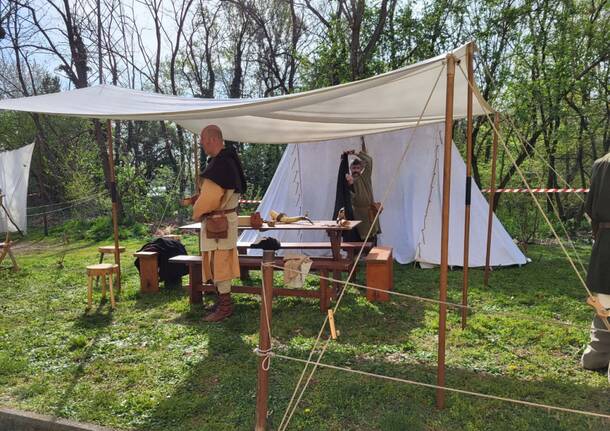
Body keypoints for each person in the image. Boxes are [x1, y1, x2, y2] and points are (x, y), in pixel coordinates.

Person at [191, 125, 246, 322]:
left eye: (204, 141)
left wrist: (197, 210)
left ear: (213, 140)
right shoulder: (226, 161)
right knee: (219, 262)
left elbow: (212, 197)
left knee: (220, 263)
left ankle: (225, 307)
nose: (203, 146)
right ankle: (223, 303)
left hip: (219, 223)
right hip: (223, 221)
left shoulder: (221, 164)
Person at [581, 152, 610, 377]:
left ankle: (595, 357)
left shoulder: (602, 162)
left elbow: (590, 209)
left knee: (605, 305)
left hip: (605, 243)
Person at [344, 149, 380, 242]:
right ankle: (360, 255)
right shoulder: (348, 180)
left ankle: (372, 256)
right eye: (354, 168)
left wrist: (355, 153)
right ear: (350, 169)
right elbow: (349, 198)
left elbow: (369, 160)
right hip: (358, 214)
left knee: (372, 237)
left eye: (357, 168)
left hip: (370, 212)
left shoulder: (365, 177)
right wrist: (350, 184)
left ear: (361, 169)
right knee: (360, 238)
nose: (356, 170)